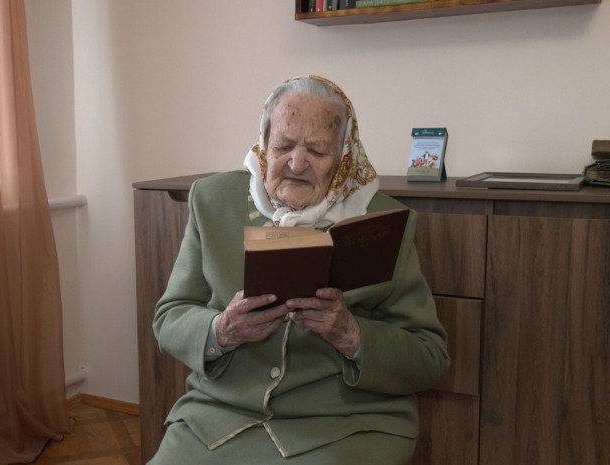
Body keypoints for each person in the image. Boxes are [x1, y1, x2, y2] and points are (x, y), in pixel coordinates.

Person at [149, 75, 449, 464]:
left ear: (344, 156)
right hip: (222, 417)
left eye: (317, 150)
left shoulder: (383, 221)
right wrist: (222, 330)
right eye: (283, 146)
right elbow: (169, 318)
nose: (296, 163)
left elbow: (429, 356)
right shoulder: (211, 200)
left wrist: (351, 333)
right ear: (264, 143)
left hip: (346, 424)